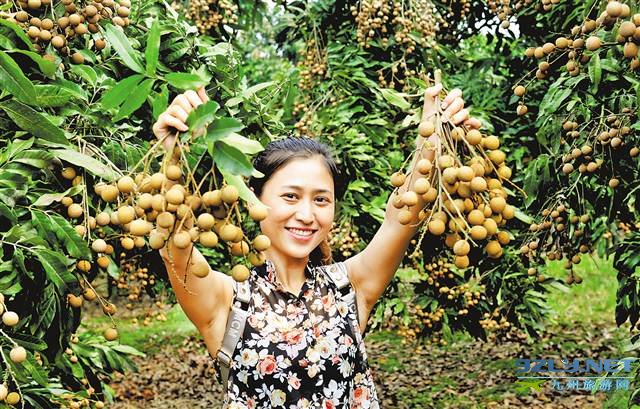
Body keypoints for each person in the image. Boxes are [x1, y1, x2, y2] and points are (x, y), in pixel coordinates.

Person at [152, 85, 479, 408]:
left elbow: (403, 214)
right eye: (290, 196)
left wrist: (433, 136)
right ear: (255, 199)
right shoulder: (228, 299)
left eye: (321, 200)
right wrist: (174, 151)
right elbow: (173, 244)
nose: (306, 214)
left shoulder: (349, 288)